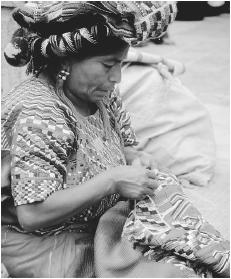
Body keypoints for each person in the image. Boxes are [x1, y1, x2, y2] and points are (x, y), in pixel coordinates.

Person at [1, 1, 229, 278]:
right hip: (48, 241)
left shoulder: (100, 94)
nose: (117, 77)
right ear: (66, 60)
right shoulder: (37, 112)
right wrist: (112, 180)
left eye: (120, 63)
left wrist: (135, 159)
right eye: (108, 65)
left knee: (185, 247)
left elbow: (121, 146)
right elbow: (32, 215)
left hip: (99, 220)